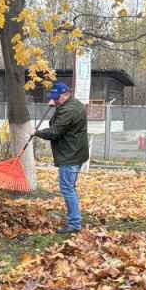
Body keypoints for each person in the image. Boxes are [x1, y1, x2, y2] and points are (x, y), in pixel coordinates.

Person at [35, 81, 89, 234]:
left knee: (67, 189)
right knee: (70, 187)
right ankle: (74, 219)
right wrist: (56, 106)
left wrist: (36, 132)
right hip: (76, 152)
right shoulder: (72, 104)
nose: (55, 100)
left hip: (70, 155)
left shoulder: (69, 110)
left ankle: (74, 224)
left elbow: (54, 131)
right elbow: (57, 121)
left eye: (57, 97)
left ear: (66, 94)